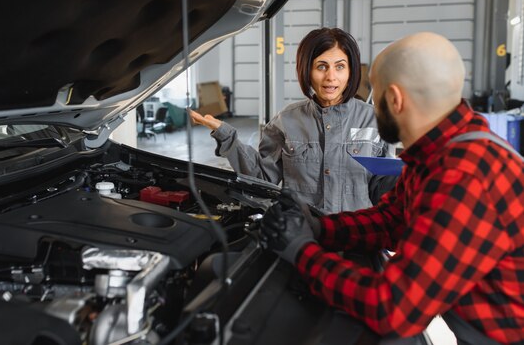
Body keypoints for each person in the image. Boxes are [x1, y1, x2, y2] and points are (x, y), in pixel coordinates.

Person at [260, 32, 524, 344]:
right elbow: (392, 221)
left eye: (375, 93)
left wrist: (302, 252)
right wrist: (318, 227)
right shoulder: (437, 154)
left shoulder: (464, 175)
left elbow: (394, 308)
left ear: (395, 99)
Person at [190, 28, 396, 214]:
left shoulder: (374, 119)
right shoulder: (286, 121)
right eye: (321, 67)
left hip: (356, 236)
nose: (331, 77)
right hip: (302, 236)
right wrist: (227, 137)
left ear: (351, 71)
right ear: (306, 70)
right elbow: (261, 179)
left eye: (340, 67)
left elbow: (384, 189)